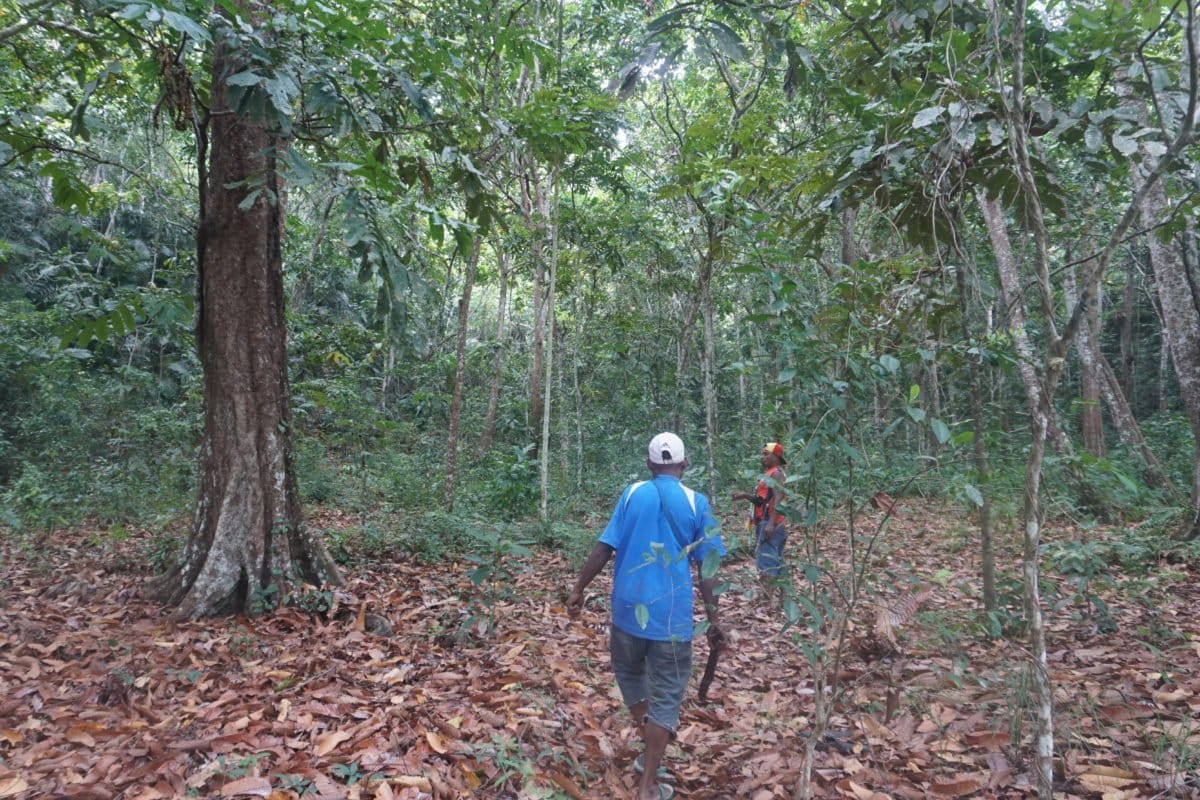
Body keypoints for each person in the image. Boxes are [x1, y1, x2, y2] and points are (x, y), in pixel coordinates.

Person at [567, 432, 726, 800]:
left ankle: (648, 747)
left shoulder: (631, 494)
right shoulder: (697, 502)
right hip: (671, 617)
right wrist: (715, 620)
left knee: (630, 675)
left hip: (626, 610)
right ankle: (649, 782)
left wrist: (578, 589)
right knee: (668, 694)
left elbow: (604, 547)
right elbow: (709, 571)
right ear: (684, 464)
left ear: (650, 464)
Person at [732, 442, 789, 586]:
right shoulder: (768, 474)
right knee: (774, 559)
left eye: (765, 454)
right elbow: (763, 501)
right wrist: (745, 495)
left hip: (771, 522)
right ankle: (775, 598)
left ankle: (768, 600)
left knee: (767, 562)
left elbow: (779, 498)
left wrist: (771, 523)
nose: (762, 457)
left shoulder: (776, 473)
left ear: (776, 456)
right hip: (765, 520)